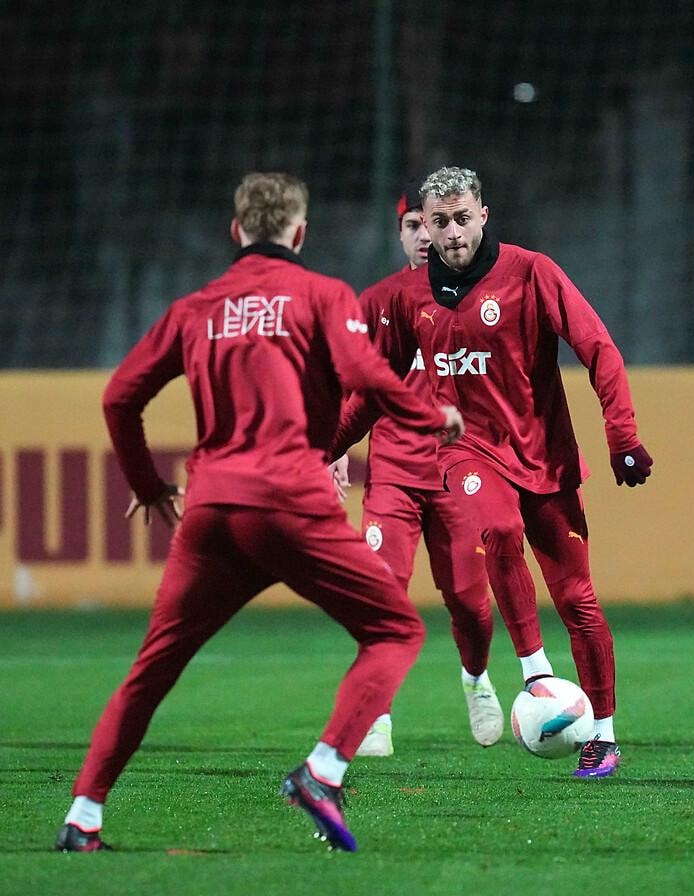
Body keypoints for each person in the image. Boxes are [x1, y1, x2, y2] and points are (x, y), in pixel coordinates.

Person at [54, 172, 464, 853]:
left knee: (151, 671)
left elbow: (119, 397)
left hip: (212, 510)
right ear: (299, 232)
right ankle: (322, 771)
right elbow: (366, 376)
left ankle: (83, 817)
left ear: (235, 230)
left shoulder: (195, 308)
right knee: (396, 631)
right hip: (290, 504)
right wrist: (430, 414)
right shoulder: (323, 295)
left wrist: (148, 486)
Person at [330, 166, 652, 779]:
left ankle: (604, 736)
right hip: (467, 452)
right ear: (423, 227)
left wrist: (623, 435)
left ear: (482, 214)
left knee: (578, 599)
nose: (452, 233)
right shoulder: (407, 297)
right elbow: (374, 390)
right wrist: (326, 447)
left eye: (461, 218)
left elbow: (598, 347)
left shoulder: (532, 273)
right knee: (499, 529)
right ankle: (535, 672)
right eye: (439, 222)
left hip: (546, 457)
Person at [350, 179, 501, 757]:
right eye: (413, 226)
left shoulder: (475, 295)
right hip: (393, 467)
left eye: (429, 224)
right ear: (402, 235)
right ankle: (375, 714)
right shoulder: (381, 301)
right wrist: (334, 448)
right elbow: (349, 384)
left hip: (460, 468)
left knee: (470, 601)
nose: (424, 235)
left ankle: (476, 678)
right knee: (381, 591)